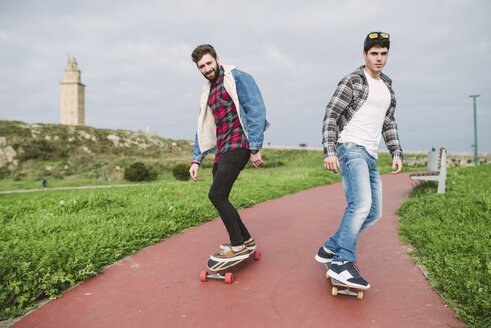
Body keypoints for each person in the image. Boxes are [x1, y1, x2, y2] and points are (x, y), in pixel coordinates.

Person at [315, 32, 403, 289]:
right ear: (364, 55)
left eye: (383, 54)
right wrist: (329, 150)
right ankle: (342, 263)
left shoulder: (387, 86)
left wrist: (396, 151)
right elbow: (331, 114)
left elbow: (388, 121)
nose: (379, 58)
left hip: (371, 154)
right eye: (374, 53)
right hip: (351, 147)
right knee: (361, 204)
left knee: (374, 212)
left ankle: (331, 247)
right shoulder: (353, 80)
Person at [189, 44, 270, 262]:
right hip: (222, 149)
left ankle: (238, 246)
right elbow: (202, 126)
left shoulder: (238, 78)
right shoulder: (208, 91)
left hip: (239, 144)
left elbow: (256, 110)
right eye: (201, 67)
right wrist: (196, 159)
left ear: (217, 58)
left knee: (216, 195)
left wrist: (255, 148)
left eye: (208, 63)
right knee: (221, 195)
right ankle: (246, 240)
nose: (206, 69)